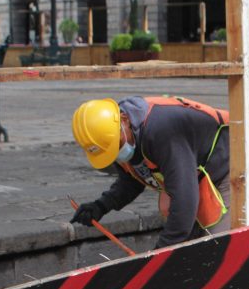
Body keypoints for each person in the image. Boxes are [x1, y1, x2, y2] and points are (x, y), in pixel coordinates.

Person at [70, 96, 231, 249]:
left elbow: (185, 200)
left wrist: (159, 255)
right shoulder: (119, 136)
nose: (117, 153)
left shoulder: (162, 133)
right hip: (194, 170)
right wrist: (101, 206)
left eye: (117, 146)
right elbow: (132, 181)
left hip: (230, 161)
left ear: (124, 120)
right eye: (111, 152)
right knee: (185, 241)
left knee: (217, 246)